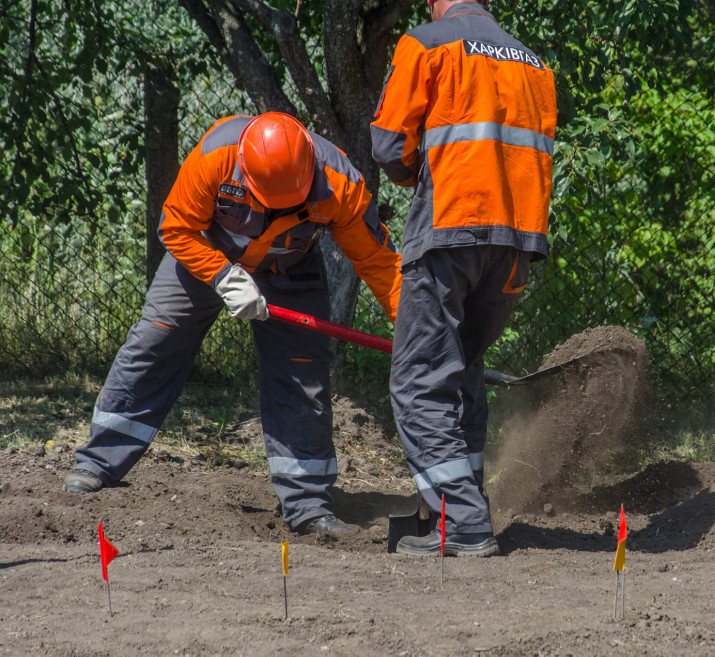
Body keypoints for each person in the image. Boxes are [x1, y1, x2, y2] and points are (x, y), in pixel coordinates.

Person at [64, 112, 402, 536]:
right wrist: (223, 274)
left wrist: (413, 330)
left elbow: (379, 262)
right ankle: (98, 463)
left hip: (290, 269)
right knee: (156, 339)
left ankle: (308, 504)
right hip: (202, 253)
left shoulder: (340, 183)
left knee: (301, 372)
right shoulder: (215, 156)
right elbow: (176, 226)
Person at [370, 0, 557, 556]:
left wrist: (418, 174)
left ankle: (465, 523)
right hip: (519, 243)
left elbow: (388, 146)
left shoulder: (425, 43)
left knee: (419, 381)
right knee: (462, 375)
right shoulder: (534, 63)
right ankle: (460, 507)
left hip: (452, 228)